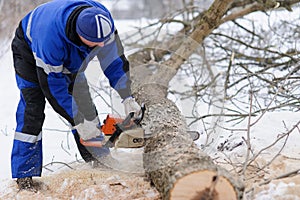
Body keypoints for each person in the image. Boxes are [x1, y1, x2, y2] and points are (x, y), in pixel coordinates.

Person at [11, 0, 141, 191]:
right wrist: (78, 121)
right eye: (97, 43)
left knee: (84, 104)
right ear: (81, 36)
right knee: (33, 109)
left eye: (104, 40)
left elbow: (114, 61)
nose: (102, 45)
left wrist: (127, 96)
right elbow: (53, 88)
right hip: (30, 50)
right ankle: (25, 176)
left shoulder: (102, 23)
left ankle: (100, 159)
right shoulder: (50, 41)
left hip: (66, 50)